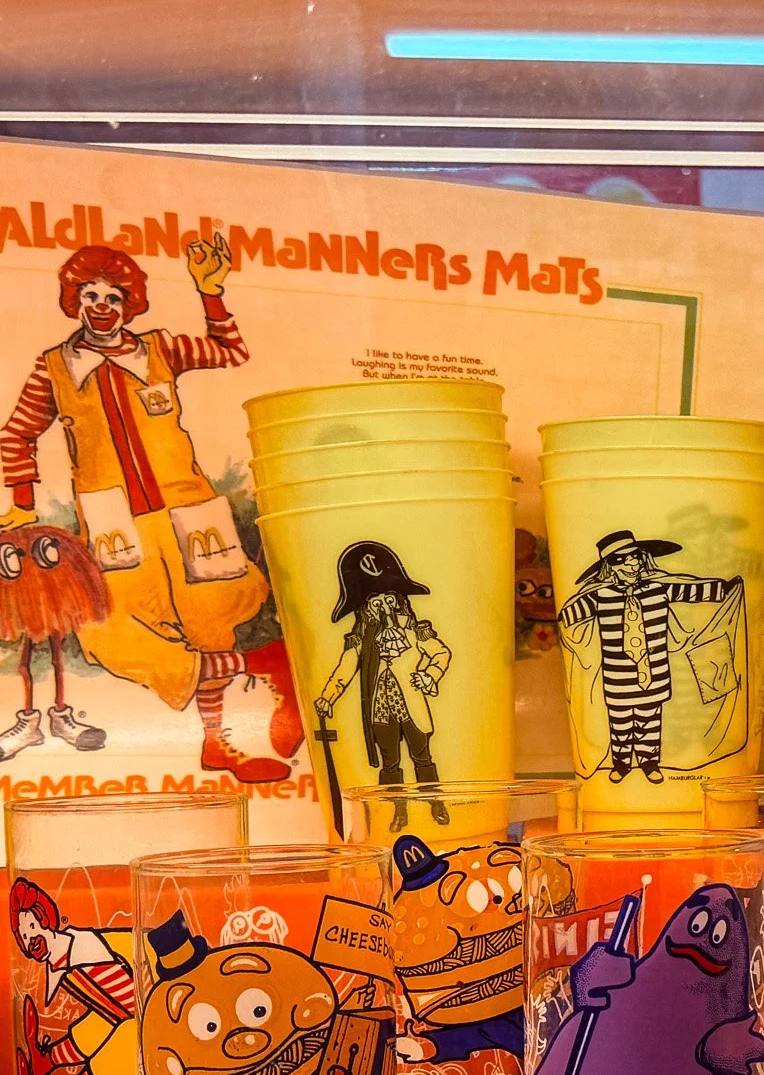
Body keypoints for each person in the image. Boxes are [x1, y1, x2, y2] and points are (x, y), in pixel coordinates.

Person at [0, 240, 301, 781]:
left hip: (190, 511)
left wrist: (210, 291)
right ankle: (262, 663)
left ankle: (217, 745)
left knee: (210, 621)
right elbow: (16, 435)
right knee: (105, 633)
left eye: (113, 297)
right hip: (114, 525)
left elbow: (230, 351)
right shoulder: (54, 368)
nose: (101, 306)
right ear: (74, 301)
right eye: (90, 295)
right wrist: (22, 505)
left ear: (130, 303)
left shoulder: (163, 349)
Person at [558, 529, 742, 783]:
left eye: (634, 557)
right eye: (621, 560)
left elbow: (690, 590)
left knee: (650, 721)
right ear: (610, 567)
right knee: (620, 723)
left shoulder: (658, 589)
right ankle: (621, 763)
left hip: (653, 673)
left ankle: (649, 762)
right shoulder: (600, 596)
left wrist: (725, 588)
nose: (631, 564)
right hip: (618, 678)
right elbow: (568, 616)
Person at [315, 541, 449, 814]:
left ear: (399, 601)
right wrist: (327, 697)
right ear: (367, 608)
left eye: (390, 600)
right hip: (381, 709)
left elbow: (441, 653)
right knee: (390, 762)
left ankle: (436, 805)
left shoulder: (415, 631)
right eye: (377, 603)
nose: (385, 607)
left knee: (421, 756)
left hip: (411, 706)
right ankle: (395, 812)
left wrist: (429, 676)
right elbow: (344, 670)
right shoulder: (361, 640)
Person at [12, 876, 135, 1075]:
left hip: (165, 1011)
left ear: (45, 917)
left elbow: (132, 1005)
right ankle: (48, 1060)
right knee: (104, 1019)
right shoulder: (60, 962)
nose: (31, 938)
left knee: (131, 1035)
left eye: (32, 926)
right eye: (24, 936)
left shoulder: (85, 948)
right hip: (137, 1004)